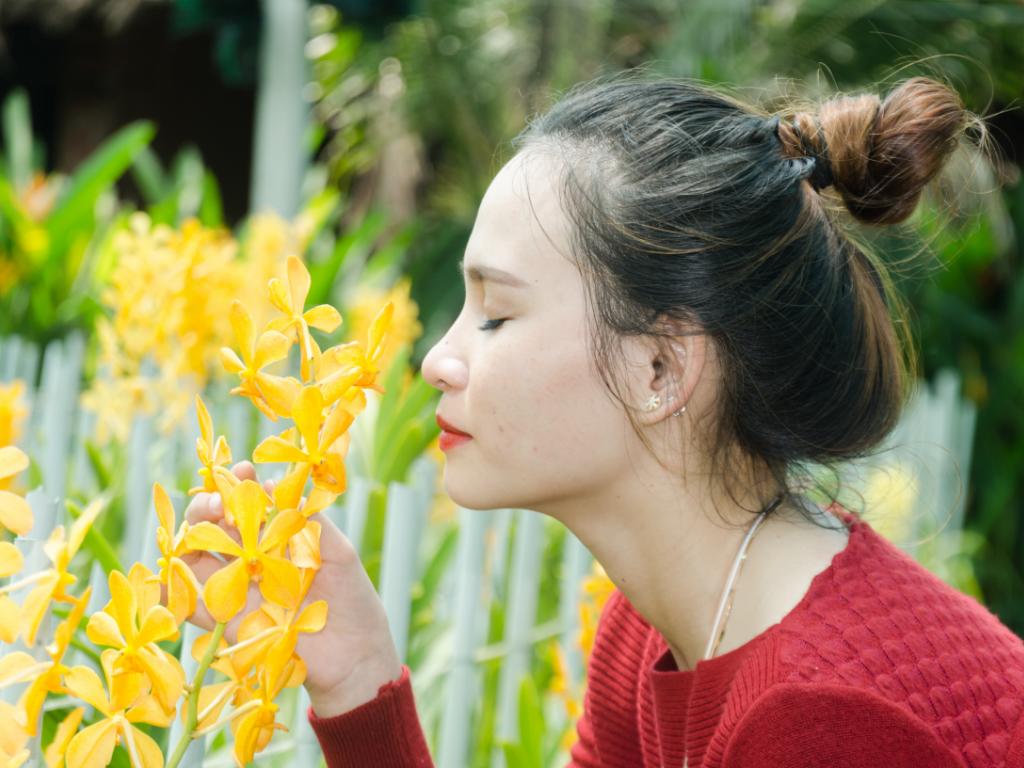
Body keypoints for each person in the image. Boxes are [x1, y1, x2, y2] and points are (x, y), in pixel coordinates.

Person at [185, 74, 1024, 767]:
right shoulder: (656, 630)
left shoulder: (821, 724)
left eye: (495, 314)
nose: (436, 360)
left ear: (660, 367)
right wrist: (356, 673)